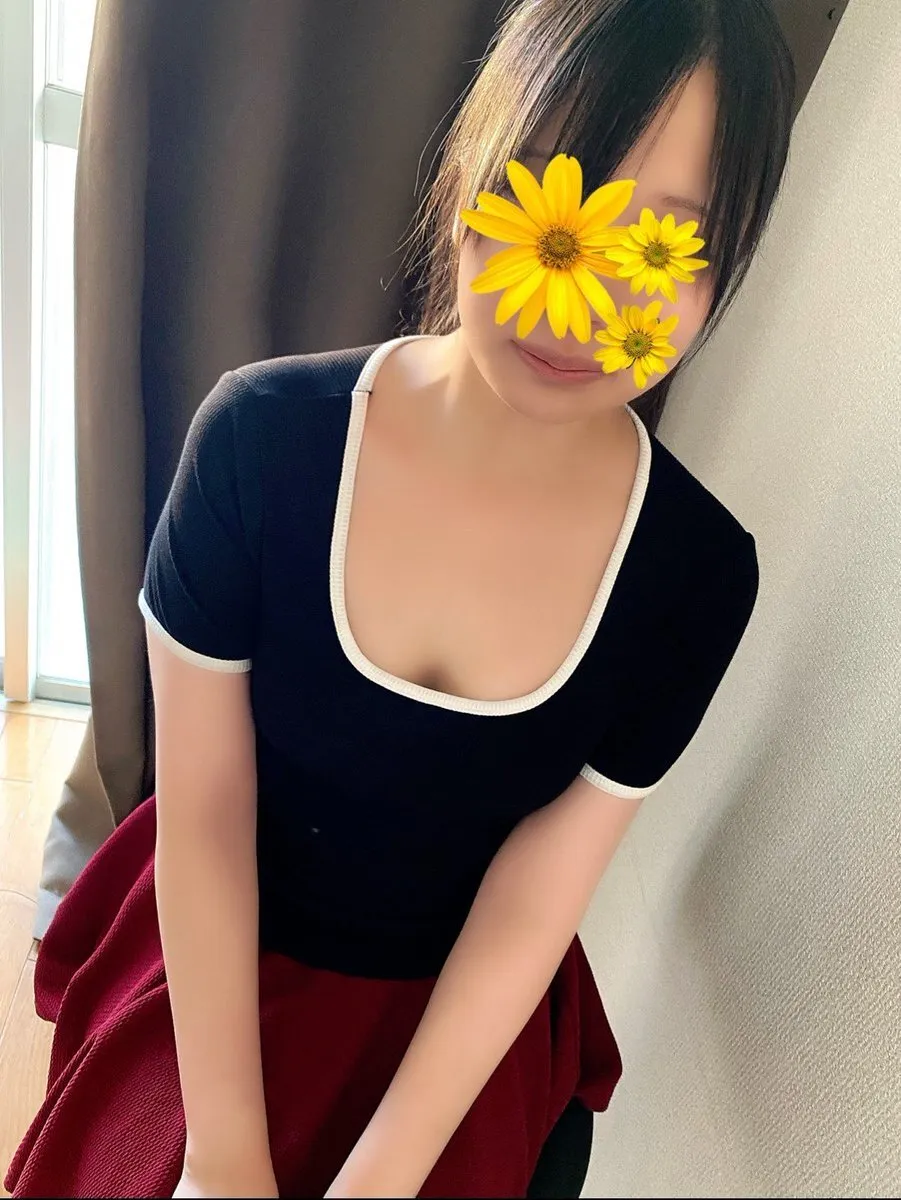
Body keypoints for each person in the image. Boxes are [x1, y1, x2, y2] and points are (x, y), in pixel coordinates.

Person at [5, 1, 795, 1196]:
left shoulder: (694, 575)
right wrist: (223, 1157)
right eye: (554, 207)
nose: (577, 304)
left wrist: (384, 1172)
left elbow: (537, 889)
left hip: (458, 1013)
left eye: (661, 248)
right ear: (474, 167)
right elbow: (204, 807)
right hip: (218, 949)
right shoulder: (259, 442)